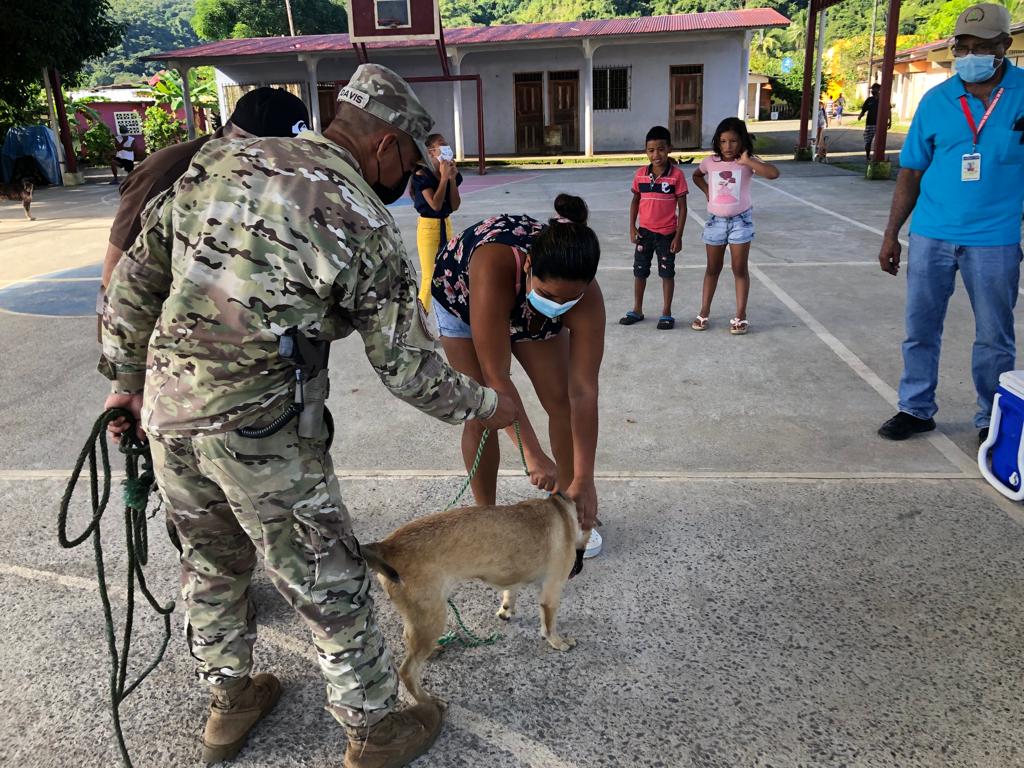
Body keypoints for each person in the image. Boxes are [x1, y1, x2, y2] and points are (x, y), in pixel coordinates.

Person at [99, 63, 515, 768]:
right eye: (409, 163)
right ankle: (375, 730)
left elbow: (133, 284)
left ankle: (229, 703)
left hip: (170, 418)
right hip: (262, 433)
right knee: (330, 580)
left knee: (210, 564)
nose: (408, 179)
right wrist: (489, 405)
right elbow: (409, 371)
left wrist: (124, 384)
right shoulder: (358, 214)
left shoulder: (219, 163)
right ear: (386, 145)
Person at [877, 3, 1024, 445]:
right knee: (920, 328)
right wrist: (891, 234)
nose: (970, 55)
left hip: (995, 238)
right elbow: (911, 171)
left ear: (1004, 46)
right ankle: (915, 408)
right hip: (932, 234)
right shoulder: (937, 100)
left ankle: (990, 419)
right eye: (963, 47)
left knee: (994, 336)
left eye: (982, 47)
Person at [431, 194, 606, 556]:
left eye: (568, 301)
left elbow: (584, 392)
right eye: (548, 295)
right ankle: (487, 519)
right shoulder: (494, 263)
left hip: (520, 299)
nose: (556, 307)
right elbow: (495, 378)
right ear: (528, 266)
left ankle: (568, 505)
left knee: (561, 400)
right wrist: (532, 454)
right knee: (481, 413)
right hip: (462, 296)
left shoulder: (586, 297)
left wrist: (585, 478)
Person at [101, 87, 311, 291]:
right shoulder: (165, 173)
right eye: (273, 154)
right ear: (239, 139)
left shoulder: (279, 171)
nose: (279, 164)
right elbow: (115, 277)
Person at [690, 117, 779, 335]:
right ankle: (704, 311)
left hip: (741, 222)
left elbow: (773, 173)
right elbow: (697, 175)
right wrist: (708, 191)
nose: (728, 146)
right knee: (713, 268)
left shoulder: (747, 162)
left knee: (739, 269)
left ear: (742, 141)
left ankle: (740, 315)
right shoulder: (710, 162)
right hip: (715, 223)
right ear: (717, 142)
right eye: (723, 141)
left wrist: (748, 161)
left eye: (733, 141)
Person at [619, 125, 688, 330]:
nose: (656, 154)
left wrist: (678, 236)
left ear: (669, 149)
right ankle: (637, 309)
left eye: (661, 149)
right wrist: (632, 227)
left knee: (667, 273)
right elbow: (635, 201)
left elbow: (683, 208)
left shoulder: (676, 176)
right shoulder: (640, 174)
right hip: (644, 233)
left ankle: (666, 313)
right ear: (646, 151)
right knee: (640, 271)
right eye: (651, 150)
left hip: (667, 235)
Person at [410, 132, 462, 311]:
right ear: (431, 151)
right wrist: (444, 178)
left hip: (445, 224)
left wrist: (451, 179)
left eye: (446, 143)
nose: (446, 147)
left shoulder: (448, 173)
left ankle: (447, 316)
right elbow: (435, 205)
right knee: (429, 277)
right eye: (441, 144)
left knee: (446, 273)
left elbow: (454, 205)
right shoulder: (421, 175)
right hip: (428, 227)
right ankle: (420, 319)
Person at [858, 83, 891, 162]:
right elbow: (864, 110)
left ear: (879, 90)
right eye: (872, 89)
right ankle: (868, 156)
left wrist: (890, 121)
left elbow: (889, 111)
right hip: (869, 124)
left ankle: (878, 157)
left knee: (879, 142)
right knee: (868, 141)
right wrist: (860, 116)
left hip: (880, 124)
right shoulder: (869, 99)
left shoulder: (884, 100)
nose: (872, 91)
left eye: (874, 89)